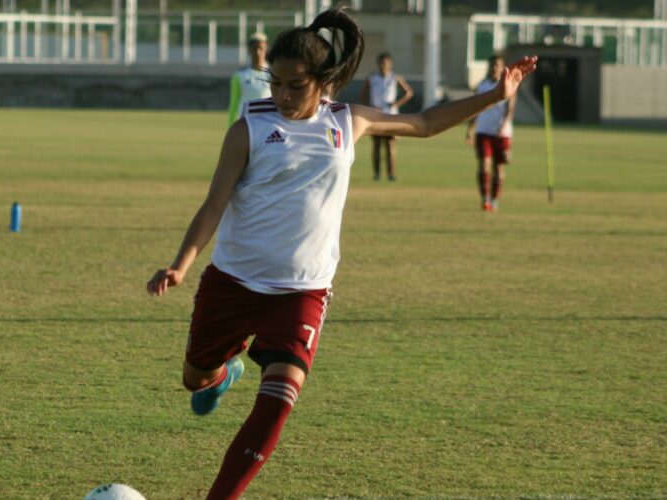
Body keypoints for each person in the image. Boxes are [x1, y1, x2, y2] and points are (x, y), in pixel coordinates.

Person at [147, 7, 536, 498]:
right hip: (233, 282)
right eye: (276, 83)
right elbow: (213, 204)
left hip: (303, 291)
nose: (283, 95)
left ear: (323, 81)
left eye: (295, 85)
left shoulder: (347, 123)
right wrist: (181, 265)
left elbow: (425, 122)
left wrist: (495, 95)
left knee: (279, 399)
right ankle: (221, 376)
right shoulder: (248, 129)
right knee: (194, 379)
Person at [466, 54, 517, 211]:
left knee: (499, 168)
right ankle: (485, 198)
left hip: (502, 133)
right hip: (484, 130)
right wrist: (471, 129)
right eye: (493, 65)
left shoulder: (508, 85)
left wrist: (504, 125)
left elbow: (510, 109)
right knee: (484, 164)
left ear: (503, 68)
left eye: (498, 65)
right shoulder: (482, 86)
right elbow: (474, 109)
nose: (495, 68)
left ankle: (494, 199)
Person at [360, 52, 414, 181]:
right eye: (380, 62)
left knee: (390, 144)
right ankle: (377, 174)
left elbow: (408, 93)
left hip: (390, 115)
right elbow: (363, 93)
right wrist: (368, 107)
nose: (382, 64)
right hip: (375, 115)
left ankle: (391, 174)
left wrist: (395, 103)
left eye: (385, 62)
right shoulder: (372, 78)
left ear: (390, 64)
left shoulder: (395, 78)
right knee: (376, 145)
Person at [227, 32, 272, 127]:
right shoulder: (239, 75)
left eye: (261, 48)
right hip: (246, 125)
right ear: (249, 50)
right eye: (254, 49)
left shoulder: (273, 74)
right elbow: (234, 103)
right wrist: (230, 127)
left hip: (267, 124)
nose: (257, 52)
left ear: (266, 49)